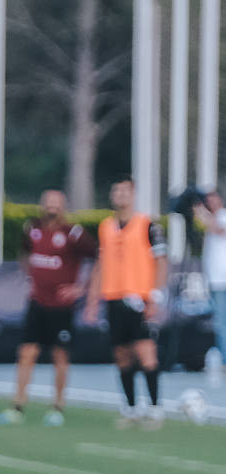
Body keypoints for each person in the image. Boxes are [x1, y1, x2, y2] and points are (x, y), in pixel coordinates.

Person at [0, 189, 96, 427]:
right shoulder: (32, 228)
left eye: (56, 203)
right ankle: (17, 406)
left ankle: (57, 408)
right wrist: (30, 276)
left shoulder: (74, 233)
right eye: (48, 202)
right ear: (42, 205)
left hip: (61, 306)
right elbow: (25, 253)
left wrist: (81, 288)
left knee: (60, 355)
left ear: (64, 207)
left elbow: (99, 257)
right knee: (26, 354)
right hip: (37, 302)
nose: (52, 207)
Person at [84, 175, 169, 428]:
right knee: (121, 354)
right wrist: (91, 300)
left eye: (124, 191)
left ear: (133, 194)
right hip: (113, 296)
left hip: (139, 298)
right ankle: (131, 408)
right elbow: (100, 265)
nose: (120, 196)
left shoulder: (148, 225)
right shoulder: (106, 227)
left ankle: (154, 408)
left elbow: (161, 261)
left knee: (146, 353)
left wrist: (155, 295)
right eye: (116, 191)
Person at [193, 187, 226, 387]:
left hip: (223, 279)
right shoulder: (209, 219)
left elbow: (218, 229)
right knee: (218, 322)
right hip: (214, 279)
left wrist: (202, 214)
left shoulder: (222, 216)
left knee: (222, 322)